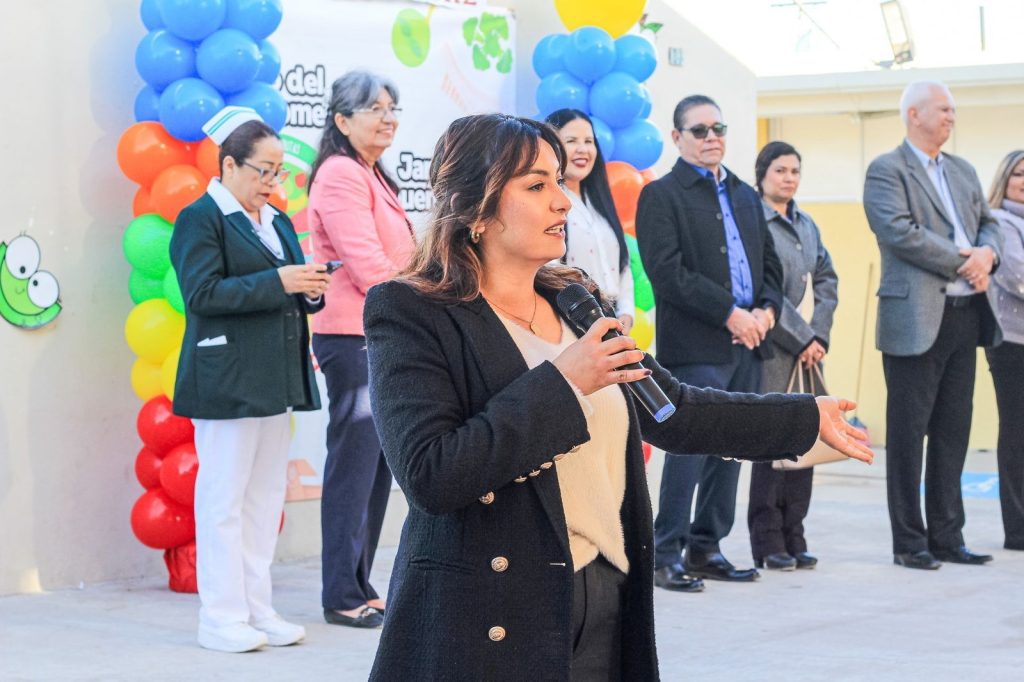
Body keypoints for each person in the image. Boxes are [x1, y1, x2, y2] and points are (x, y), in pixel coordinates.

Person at [362, 113, 872, 681]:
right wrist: (564, 383)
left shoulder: (575, 301)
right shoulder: (410, 311)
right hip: (488, 613)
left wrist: (803, 417)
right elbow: (431, 473)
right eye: (536, 185)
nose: (562, 201)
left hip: (604, 598)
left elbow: (672, 410)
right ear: (475, 208)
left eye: (559, 181)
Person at [169, 107, 330, 652]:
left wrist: (309, 288)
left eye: (278, 172)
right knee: (224, 501)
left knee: (264, 499)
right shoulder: (200, 218)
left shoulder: (277, 220)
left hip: (274, 378)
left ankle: (258, 609)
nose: (272, 182)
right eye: (263, 170)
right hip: (227, 379)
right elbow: (202, 295)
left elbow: (290, 286)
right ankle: (220, 616)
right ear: (229, 166)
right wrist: (279, 281)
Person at [636, 94, 784, 592]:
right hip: (697, 345)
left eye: (717, 128)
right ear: (677, 137)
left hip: (750, 341)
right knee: (690, 450)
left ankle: (706, 548)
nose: (711, 137)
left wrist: (765, 312)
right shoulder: (661, 195)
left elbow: (770, 267)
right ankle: (665, 553)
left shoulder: (744, 194)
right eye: (699, 130)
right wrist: (729, 314)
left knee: (733, 448)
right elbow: (667, 272)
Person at [863, 80, 1003, 570]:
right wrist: (964, 261)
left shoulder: (963, 170)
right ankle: (909, 542)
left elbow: (989, 223)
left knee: (952, 431)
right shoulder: (887, 169)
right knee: (908, 436)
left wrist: (988, 254)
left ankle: (948, 536)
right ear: (914, 114)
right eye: (943, 109)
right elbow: (898, 231)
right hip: (915, 319)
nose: (951, 117)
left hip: (966, 316)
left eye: (953, 110)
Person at [308, 70, 416, 628]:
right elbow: (369, 266)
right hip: (351, 336)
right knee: (353, 468)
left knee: (375, 469)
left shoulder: (372, 174)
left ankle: (360, 583)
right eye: (375, 108)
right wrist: (423, 300)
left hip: (379, 336)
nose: (388, 118)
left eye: (392, 108)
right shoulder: (340, 174)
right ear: (342, 120)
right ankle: (340, 594)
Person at [746, 141, 838, 571]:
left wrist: (818, 335)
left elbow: (827, 280)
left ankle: (795, 536)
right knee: (771, 446)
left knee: (806, 443)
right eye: (780, 170)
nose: (789, 178)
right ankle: (768, 542)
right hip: (772, 349)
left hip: (809, 353)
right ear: (762, 174)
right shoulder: (753, 222)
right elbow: (765, 291)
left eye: (795, 171)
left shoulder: (807, 224)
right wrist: (801, 338)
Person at [545, 108, 634, 331]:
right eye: (571, 141)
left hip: (614, 318)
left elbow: (622, 263)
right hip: (575, 319)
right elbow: (548, 269)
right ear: (551, 148)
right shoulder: (549, 202)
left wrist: (626, 312)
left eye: (589, 141)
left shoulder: (599, 201)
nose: (583, 149)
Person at [985, 150, 1024, 550]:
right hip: (1012, 343)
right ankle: (1018, 529)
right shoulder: (1000, 221)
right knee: (1017, 433)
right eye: (1019, 174)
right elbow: (1016, 275)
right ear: (1004, 179)